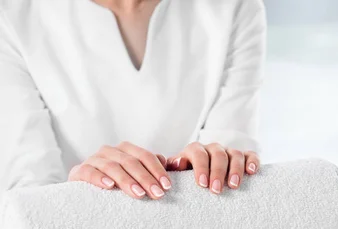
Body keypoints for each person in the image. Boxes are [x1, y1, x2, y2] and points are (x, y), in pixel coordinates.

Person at [0, 0, 266, 199]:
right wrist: (78, 188)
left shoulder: (235, 7)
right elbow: (26, 201)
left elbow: (232, 179)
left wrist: (217, 161)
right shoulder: (13, 18)